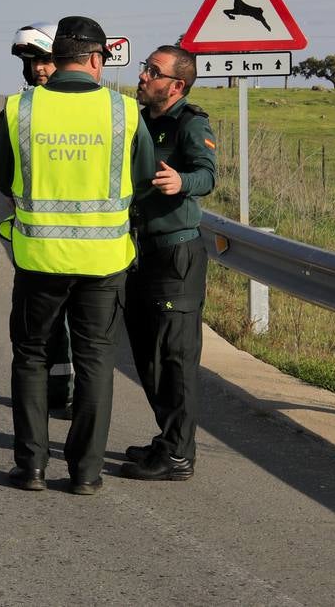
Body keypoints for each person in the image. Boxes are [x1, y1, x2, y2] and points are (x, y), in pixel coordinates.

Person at [0, 16, 155, 494]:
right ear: (97, 59)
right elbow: (143, 178)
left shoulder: (19, 107)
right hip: (104, 262)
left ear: (55, 58)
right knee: (95, 361)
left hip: (39, 259)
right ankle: (85, 473)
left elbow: (3, 178)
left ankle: (32, 468)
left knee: (32, 358)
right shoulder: (124, 111)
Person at [122, 45, 216, 482]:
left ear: (177, 85)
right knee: (147, 354)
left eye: (152, 71)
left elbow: (208, 174)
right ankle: (168, 438)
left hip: (177, 254)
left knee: (175, 357)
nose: (143, 76)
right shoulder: (138, 119)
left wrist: (181, 182)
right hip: (141, 252)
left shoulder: (190, 122)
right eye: (145, 68)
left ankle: (179, 454)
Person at [10, 22, 74, 422]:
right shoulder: (24, 106)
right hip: (39, 241)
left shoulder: (82, 107)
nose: (38, 69)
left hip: (84, 240)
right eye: (32, 62)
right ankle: (56, 392)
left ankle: (69, 395)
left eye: (46, 60)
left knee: (77, 331)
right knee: (45, 330)